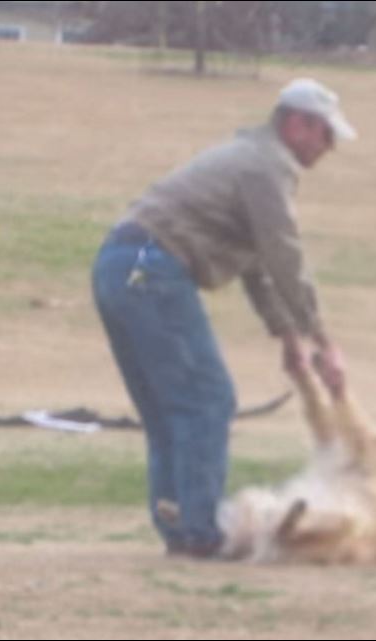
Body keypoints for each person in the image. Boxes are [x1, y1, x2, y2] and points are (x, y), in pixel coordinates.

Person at [92, 78, 356, 558]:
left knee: (170, 410)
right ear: (297, 124)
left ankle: (178, 526)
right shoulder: (269, 165)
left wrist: (288, 336)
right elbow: (283, 255)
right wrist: (324, 340)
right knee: (207, 399)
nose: (330, 146)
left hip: (119, 265)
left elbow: (255, 265)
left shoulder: (248, 158)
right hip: (150, 266)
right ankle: (201, 531)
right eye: (325, 133)